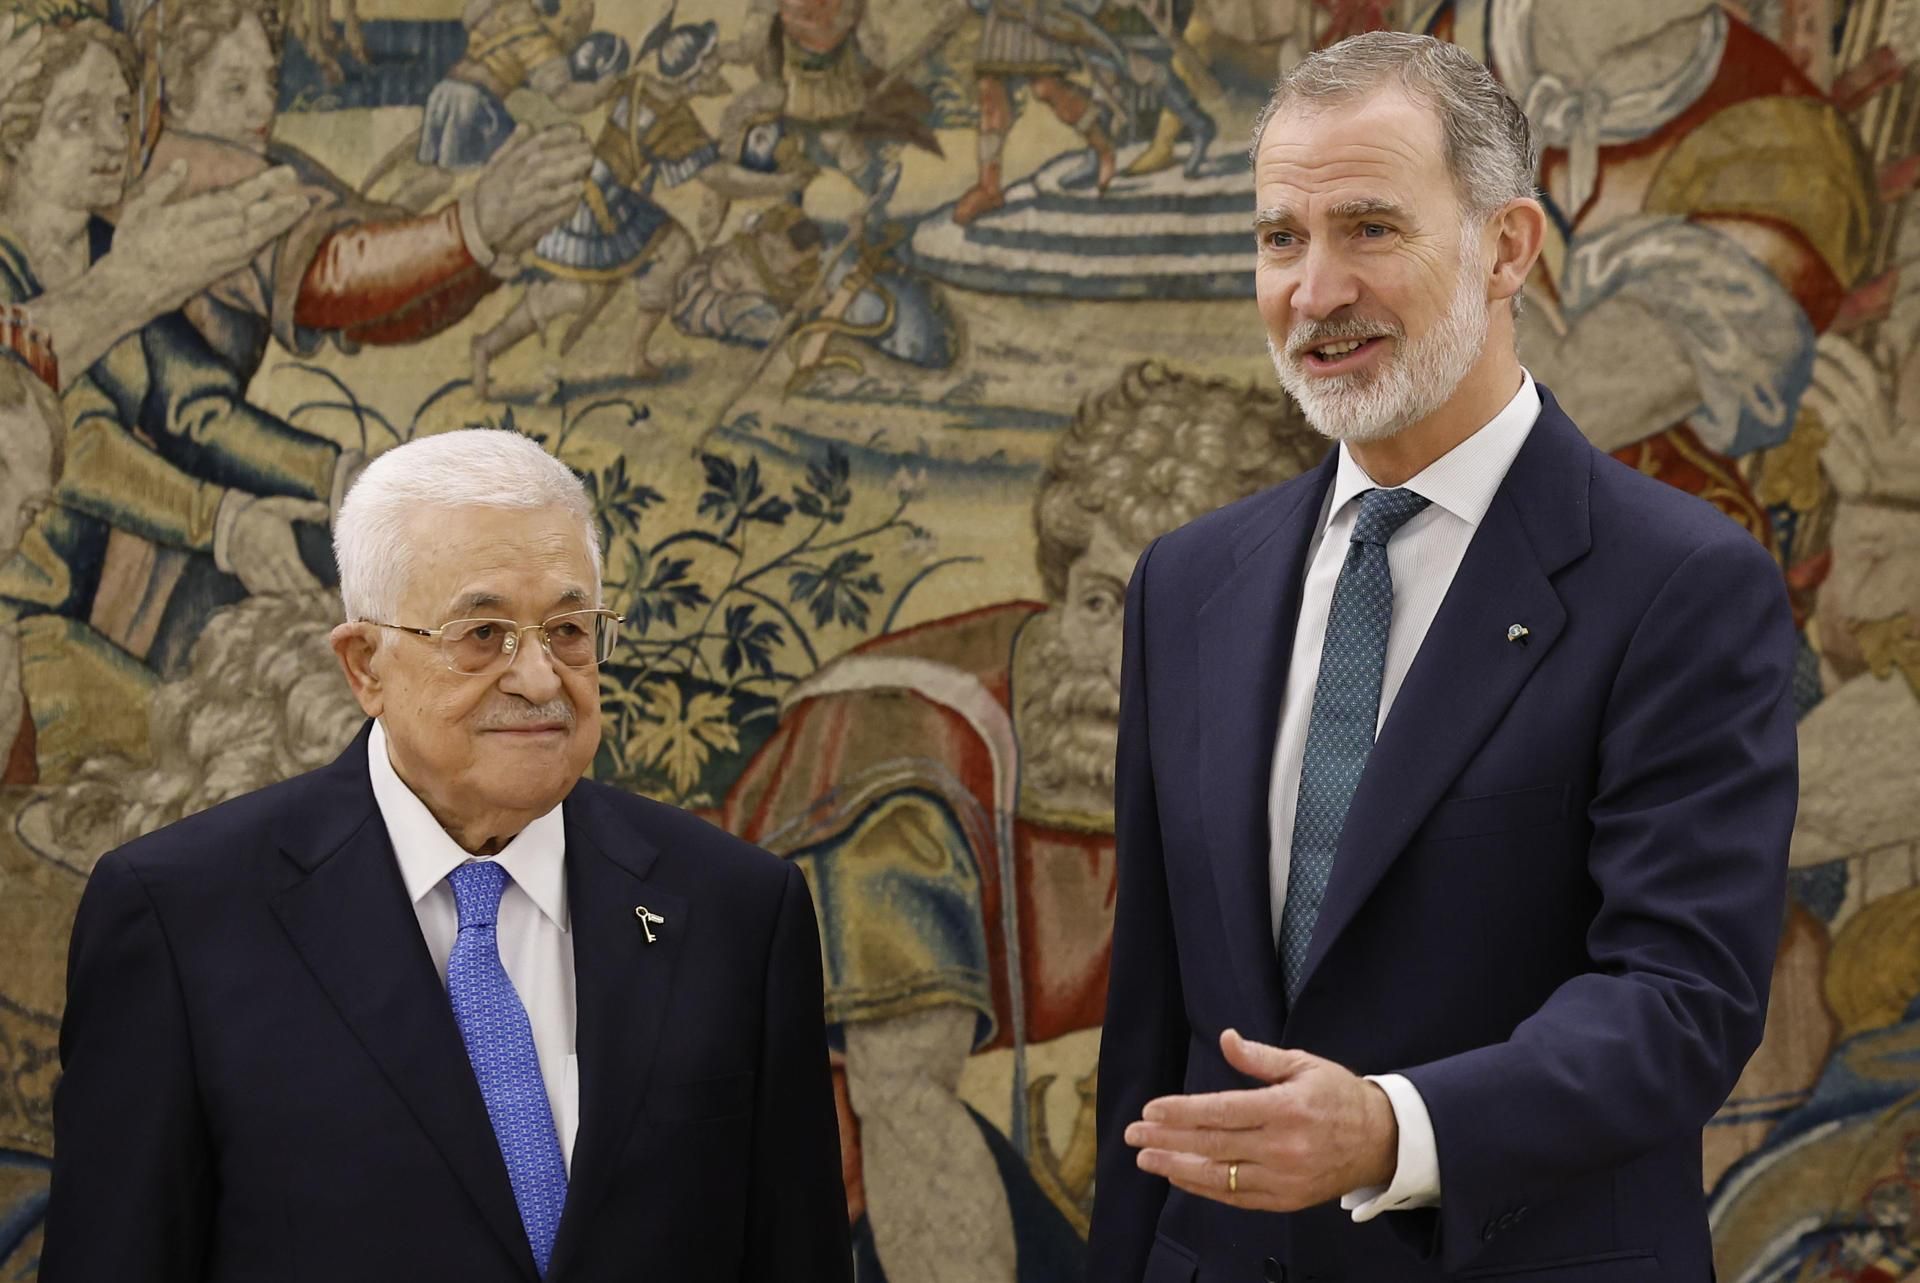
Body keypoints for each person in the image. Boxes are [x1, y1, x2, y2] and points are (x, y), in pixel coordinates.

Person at [1090, 31, 1798, 1283]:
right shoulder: (1187, 584)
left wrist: (1391, 1129)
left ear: (1508, 245)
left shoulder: (1684, 585)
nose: (1314, 291)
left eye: (1370, 228)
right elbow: (1150, 1033)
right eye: (1279, 238)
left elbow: (1679, 995)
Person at [41, 429, 852, 1282]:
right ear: (365, 665)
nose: (540, 677)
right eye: (484, 634)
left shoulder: (737, 911)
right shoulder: (181, 917)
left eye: (570, 630)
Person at [716, 361, 1326, 1282]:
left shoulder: (1276, 744)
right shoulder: (904, 739)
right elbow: (904, 1107)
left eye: (1184, 619)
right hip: (849, 1205)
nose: (1127, 663)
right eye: (1100, 604)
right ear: (1058, 577)